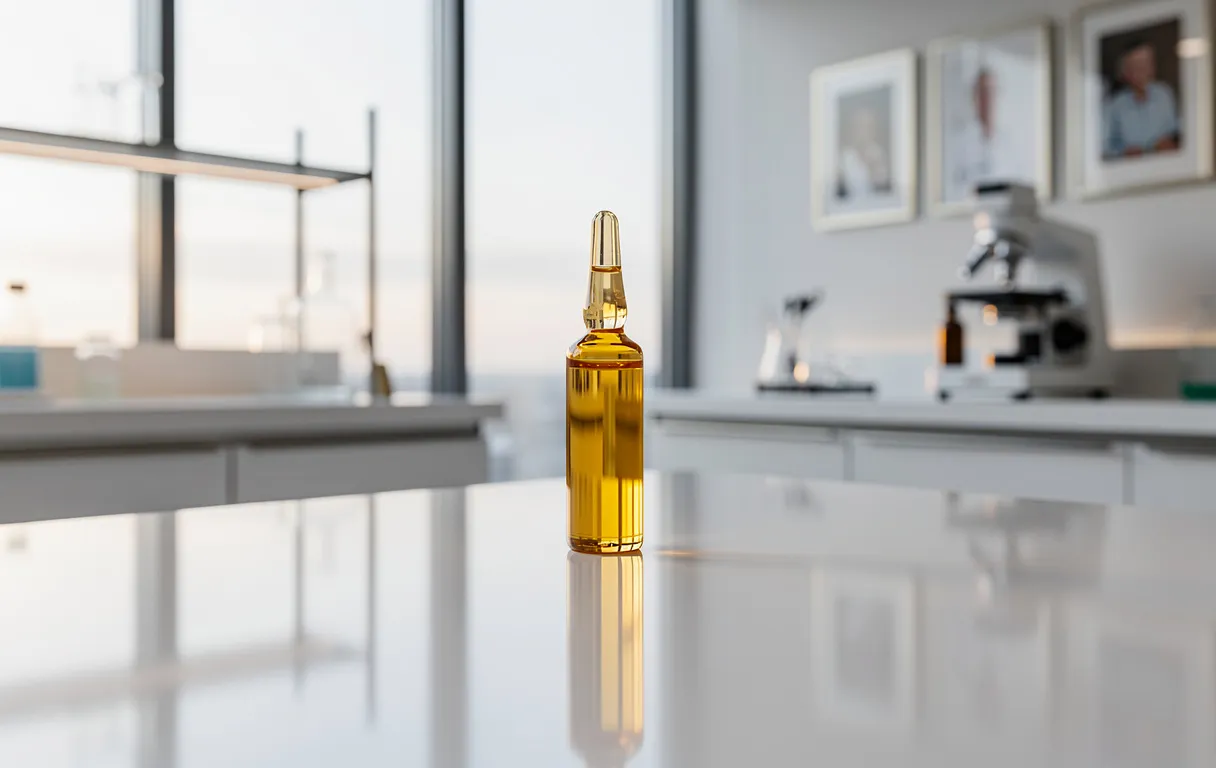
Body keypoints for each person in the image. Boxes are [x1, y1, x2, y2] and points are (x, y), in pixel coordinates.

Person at [949, 67, 1027, 199]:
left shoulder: (1010, 143)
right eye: (983, 92)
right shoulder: (958, 143)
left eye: (992, 91)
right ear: (974, 97)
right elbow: (953, 191)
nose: (988, 99)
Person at [1102, 39, 1180, 159]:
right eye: (1136, 66)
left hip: (1166, 164)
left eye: (1146, 64)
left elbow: (1178, 132)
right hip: (1131, 171)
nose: (1143, 71)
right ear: (1125, 72)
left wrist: (1172, 143)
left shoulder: (1165, 93)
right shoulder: (1114, 105)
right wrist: (1123, 154)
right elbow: (1105, 149)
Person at [835, 104, 892, 201]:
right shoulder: (844, 157)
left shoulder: (880, 155)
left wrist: (874, 170)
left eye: (867, 126)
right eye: (859, 126)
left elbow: (886, 191)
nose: (863, 131)